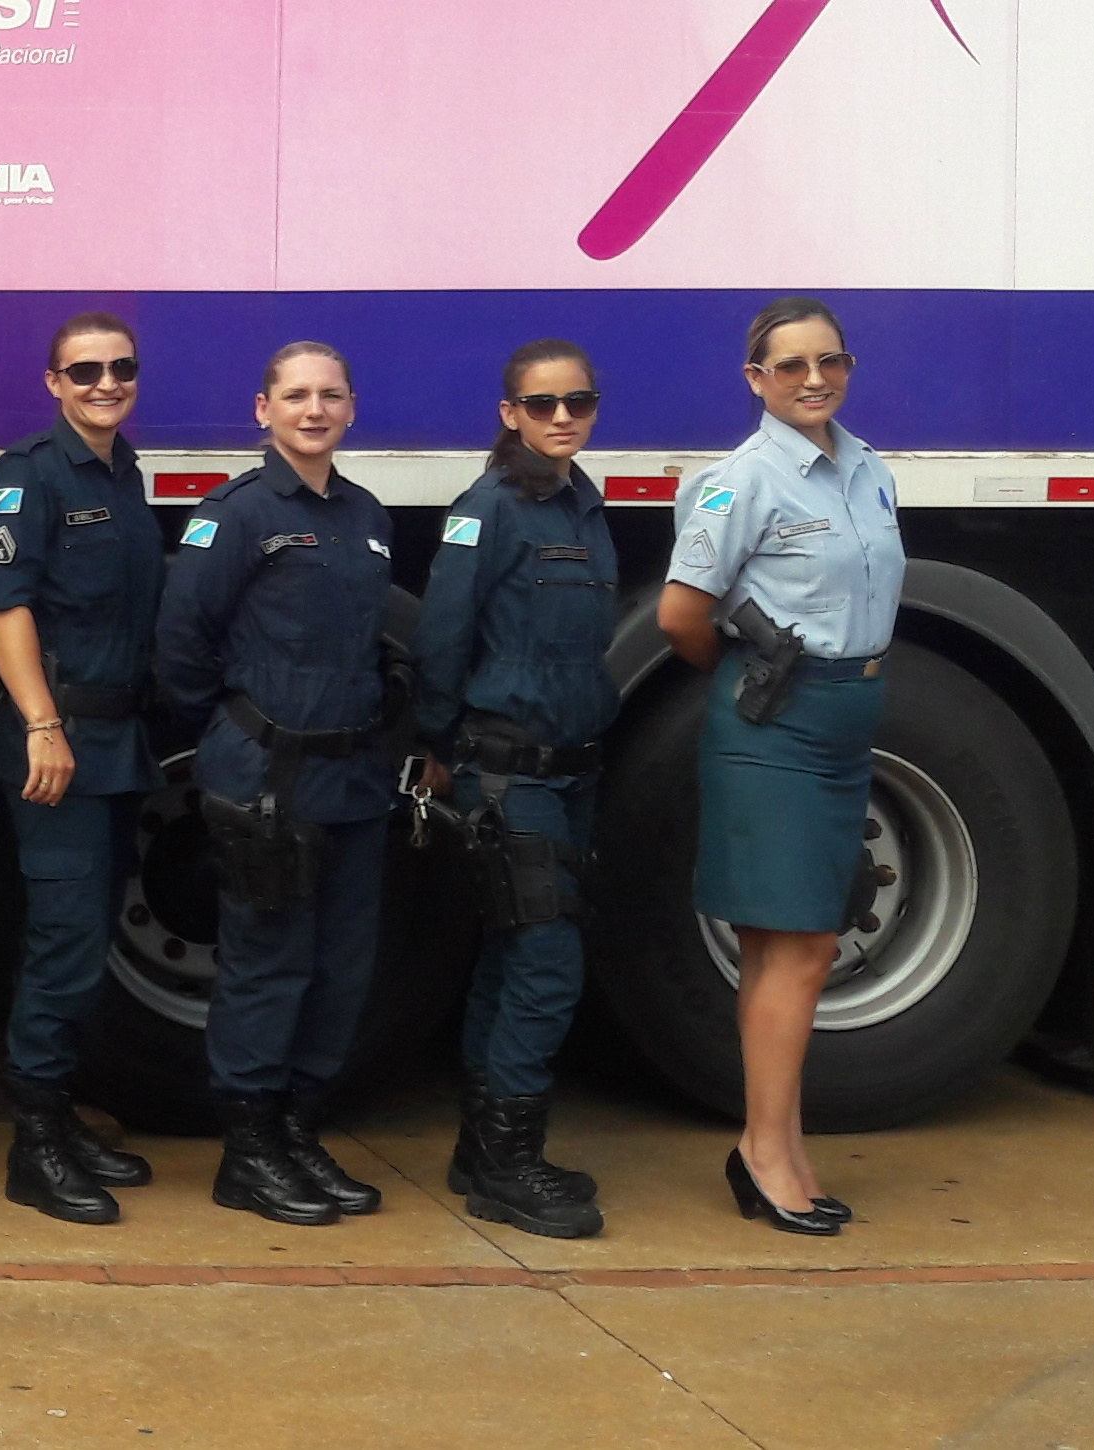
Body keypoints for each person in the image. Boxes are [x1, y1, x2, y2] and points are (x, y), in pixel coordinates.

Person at [659, 296, 902, 1237]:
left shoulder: (870, 468)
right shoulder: (740, 483)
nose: (814, 379)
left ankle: (781, 1147)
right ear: (755, 380)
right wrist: (747, 684)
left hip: (846, 722)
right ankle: (765, 1155)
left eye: (829, 361)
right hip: (776, 726)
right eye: (791, 366)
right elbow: (683, 615)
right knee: (797, 947)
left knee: (792, 944)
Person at [155, 340, 401, 1229]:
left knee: (340, 968)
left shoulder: (367, 515)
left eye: (330, 395)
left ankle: (299, 1133)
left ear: (351, 407)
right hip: (268, 775)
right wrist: (232, 733)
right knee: (268, 964)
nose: (314, 410)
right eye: (296, 395)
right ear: (264, 410)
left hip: (353, 779)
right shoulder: (237, 514)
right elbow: (182, 643)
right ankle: (249, 1151)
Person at [412, 338, 623, 1241]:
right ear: (510, 414)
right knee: (545, 963)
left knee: (511, 959)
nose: (562, 417)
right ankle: (509, 1166)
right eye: (542, 404)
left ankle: (481, 1151)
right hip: (507, 774)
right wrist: (438, 746)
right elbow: (440, 640)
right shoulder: (487, 509)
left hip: (570, 771)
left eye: (578, 401)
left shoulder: (586, 505)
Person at [0, 312, 167, 1227]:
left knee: (90, 946)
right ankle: (34, 1146)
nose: (105, 384)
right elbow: (7, 609)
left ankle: (66, 1120)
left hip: (118, 744)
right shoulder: (28, 477)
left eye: (120, 368)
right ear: (54, 383)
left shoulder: (126, 474)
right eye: (84, 372)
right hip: (59, 745)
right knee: (61, 941)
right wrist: (42, 724)